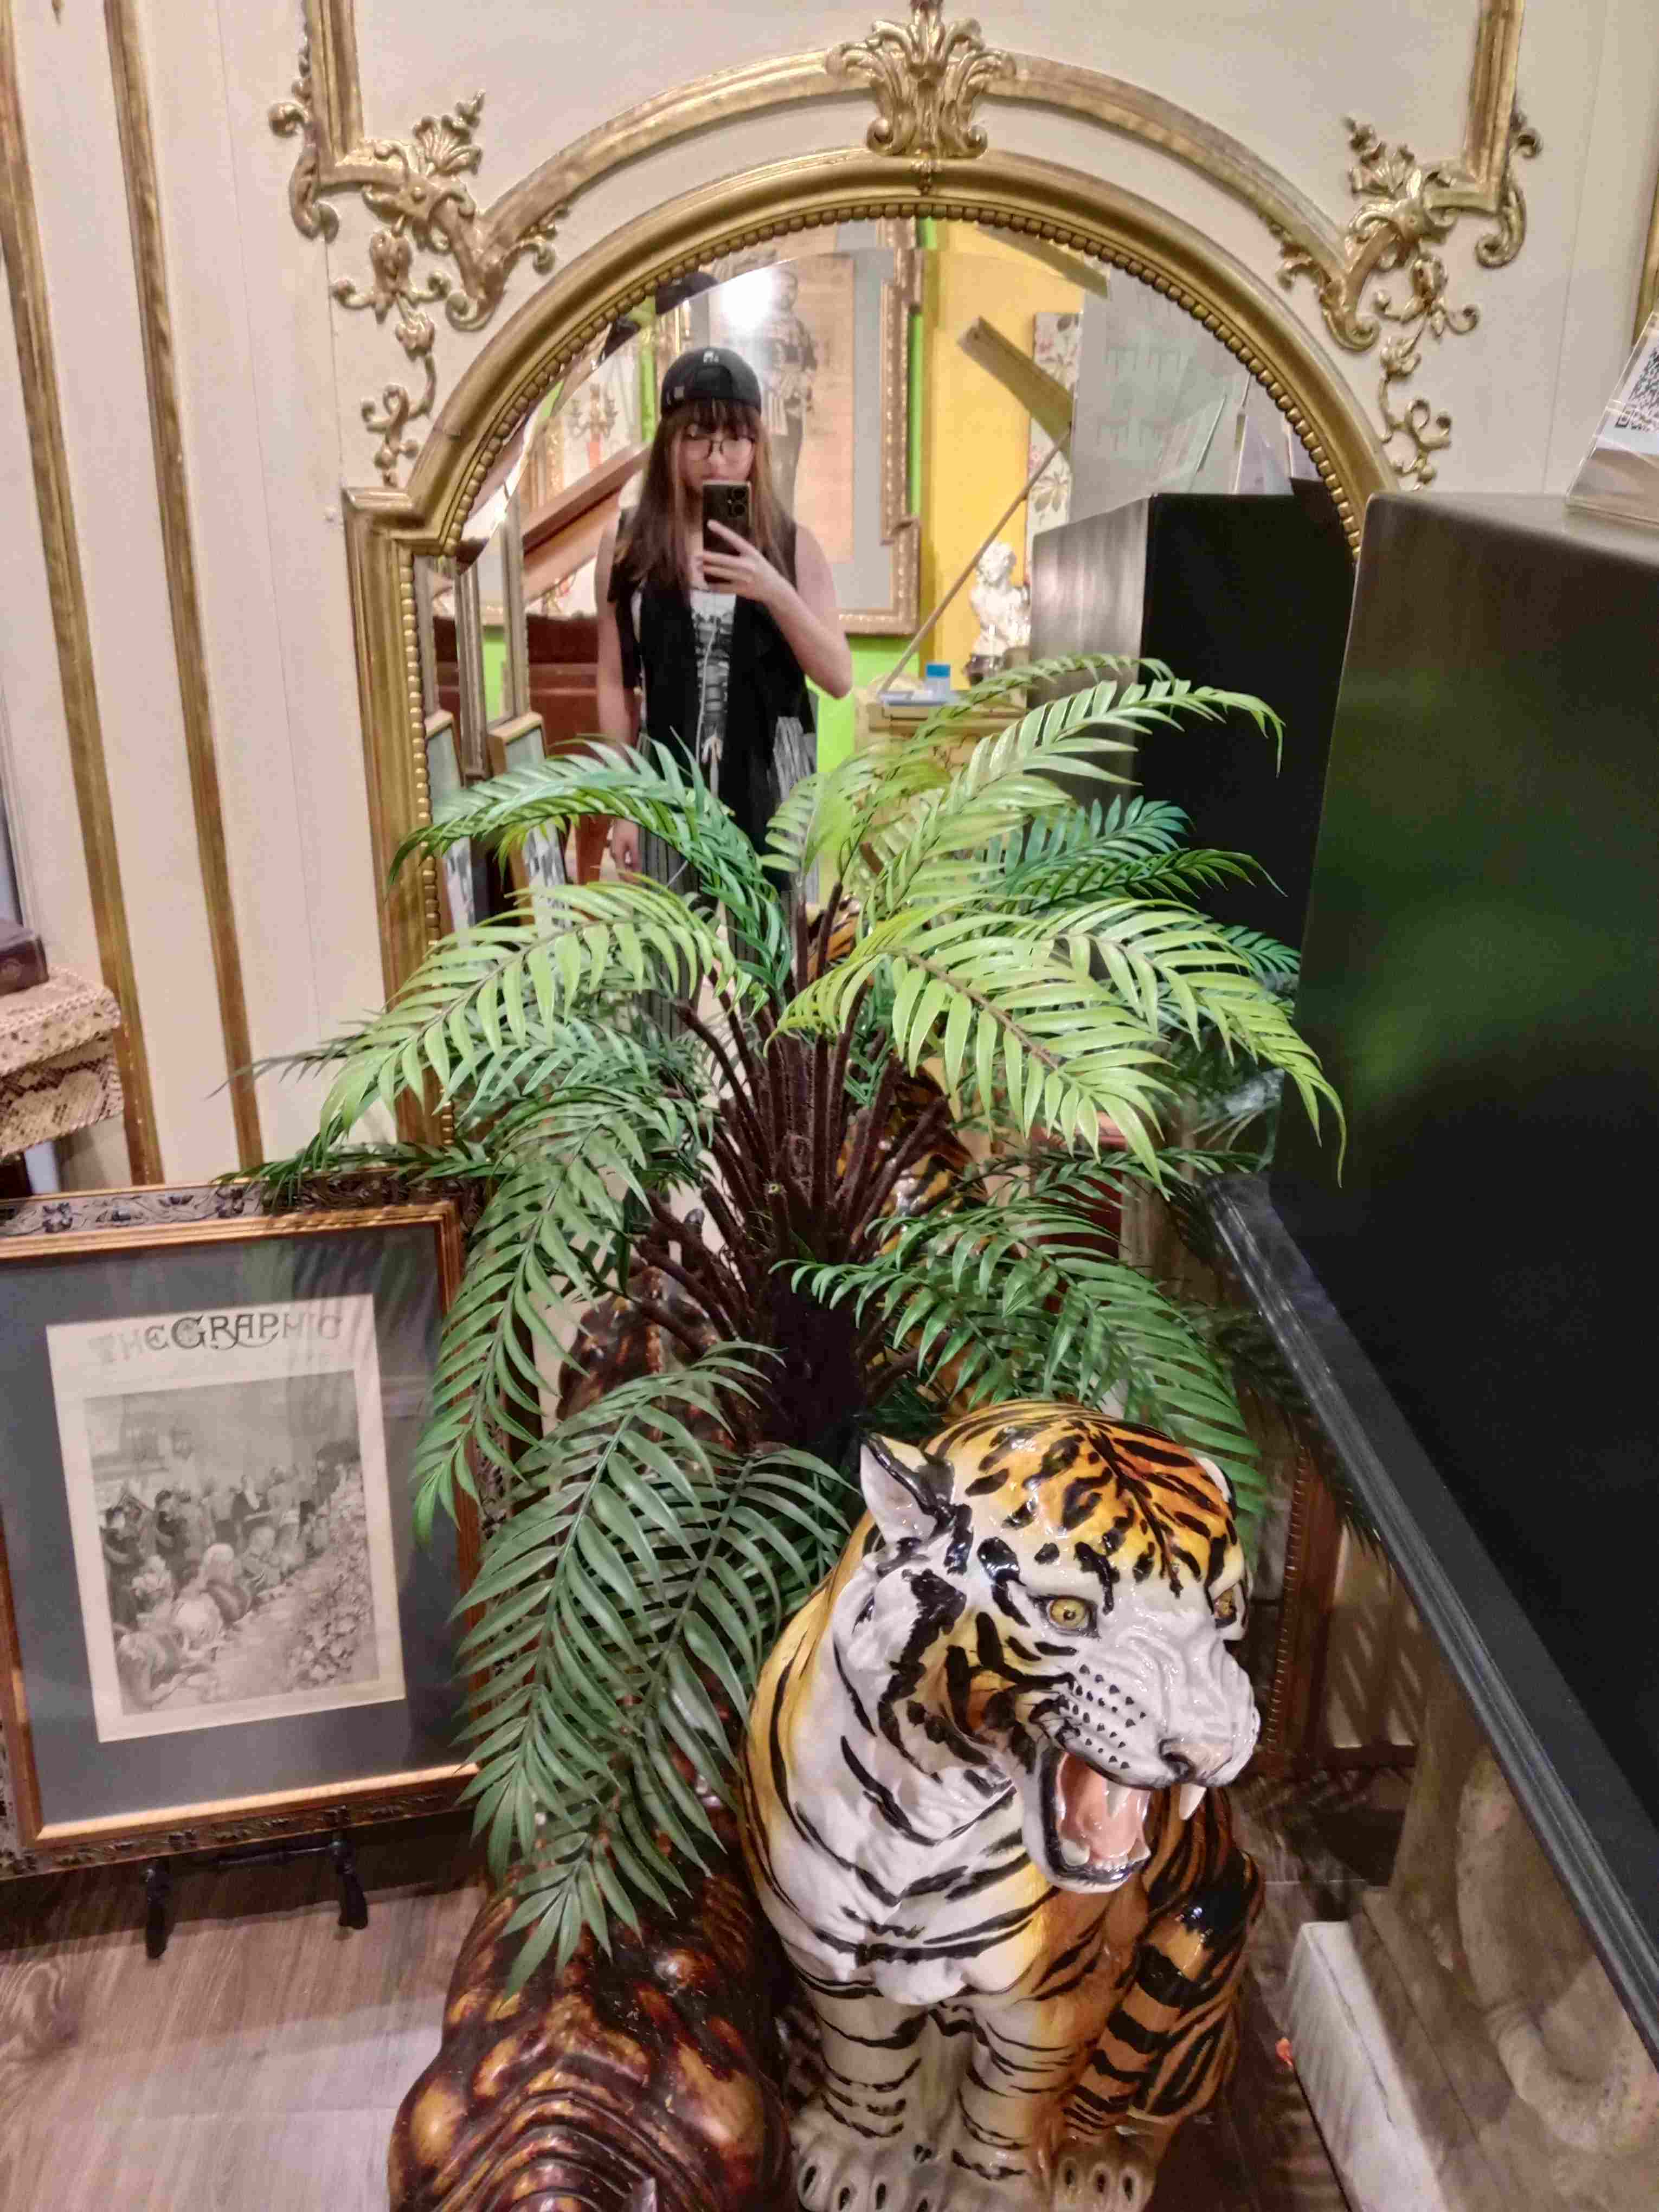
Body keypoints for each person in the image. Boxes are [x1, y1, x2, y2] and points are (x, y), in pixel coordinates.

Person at [595, 345, 852, 893]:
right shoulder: (627, 545)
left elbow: (837, 677)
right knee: (670, 946)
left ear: (757, 445)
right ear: (669, 442)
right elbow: (614, 680)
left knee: (772, 943)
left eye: (734, 438)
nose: (716, 458)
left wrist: (772, 588)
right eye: (697, 437)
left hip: (772, 789)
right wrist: (622, 804)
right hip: (665, 788)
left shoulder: (793, 545)